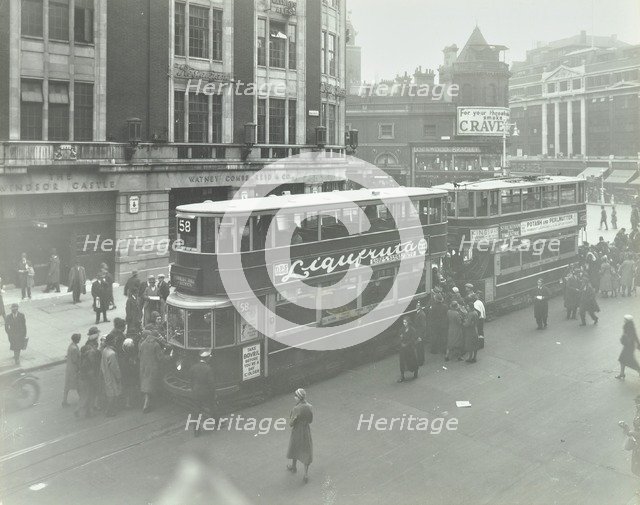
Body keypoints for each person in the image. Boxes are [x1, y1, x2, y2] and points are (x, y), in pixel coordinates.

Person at [286, 388, 313, 484]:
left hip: (297, 431)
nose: (294, 397)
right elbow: (310, 420)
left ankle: (294, 467)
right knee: (306, 450)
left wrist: (293, 421)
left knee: (295, 448)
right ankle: (305, 474)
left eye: (295, 396)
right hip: (306, 430)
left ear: (299, 398)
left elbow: (291, 423)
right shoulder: (309, 406)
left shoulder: (296, 409)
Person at [189, 350, 217, 437]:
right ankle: (218, 423)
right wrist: (214, 393)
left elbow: (191, 380)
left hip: (196, 392)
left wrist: (193, 389)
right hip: (206, 392)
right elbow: (211, 383)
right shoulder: (208, 369)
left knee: (196, 411)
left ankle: (196, 431)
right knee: (212, 406)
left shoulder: (193, 367)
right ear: (207, 358)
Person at [76, 327, 101, 418]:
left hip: (85, 375)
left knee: (88, 393)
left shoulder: (87, 346)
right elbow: (93, 362)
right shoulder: (91, 350)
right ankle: (87, 411)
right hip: (90, 374)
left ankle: (86, 410)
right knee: (90, 393)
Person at [139, 329, 164, 413]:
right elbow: (160, 358)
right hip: (153, 368)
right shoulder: (156, 345)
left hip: (143, 368)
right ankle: (146, 405)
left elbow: (139, 355)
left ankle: (146, 404)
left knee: (146, 385)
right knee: (150, 387)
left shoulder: (142, 344)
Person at [100, 333, 122, 416]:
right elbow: (115, 367)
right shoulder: (112, 353)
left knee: (110, 392)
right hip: (111, 376)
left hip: (106, 373)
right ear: (112, 341)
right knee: (112, 393)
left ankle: (110, 409)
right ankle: (109, 410)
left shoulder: (105, 350)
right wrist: (118, 376)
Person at [616, 315, 640, 380]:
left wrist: (625, 341)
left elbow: (631, 336)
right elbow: (635, 336)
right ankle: (622, 374)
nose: (624, 320)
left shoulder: (628, 326)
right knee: (622, 359)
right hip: (628, 346)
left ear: (627, 320)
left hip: (629, 347)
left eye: (625, 319)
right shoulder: (630, 326)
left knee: (631, 361)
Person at [62, 333, 81, 407]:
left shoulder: (71, 346)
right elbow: (75, 360)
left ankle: (64, 400)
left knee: (67, 386)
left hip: (69, 368)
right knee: (78, 384)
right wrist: (79, 367)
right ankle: (82, 398)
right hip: (73, 370)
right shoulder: (75, 348)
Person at [397, 316, 418, 382]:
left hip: (410, 348)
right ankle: (402, 376)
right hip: (403, 349)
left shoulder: (412, 330)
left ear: (408, 322)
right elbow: (400, 337)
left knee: (412, 361)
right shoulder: (401, 330)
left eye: (405, 322)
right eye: (403, 322)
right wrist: (401, 342)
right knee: (402, 362)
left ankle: (415, 372)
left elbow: (412, 339)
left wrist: (406, 344)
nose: (404, 323)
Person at [120, 337, 139, 409]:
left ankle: (128, 402)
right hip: (131, 374)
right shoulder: (131, 357)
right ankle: (130, 402)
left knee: (127, 388)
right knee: (131, 387)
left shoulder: (123, 356)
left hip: (125, 374)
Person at [413, 302, 427, 367]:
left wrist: (420, 336)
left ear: (421, 306)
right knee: (419, 348)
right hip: (418, 333)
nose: (417, 306)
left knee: (420, 348)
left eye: (418, 305)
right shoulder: (419, 313)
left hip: (420, 334)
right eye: (416, 305)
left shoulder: (421, 314)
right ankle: (421, 360)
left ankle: (420, 361)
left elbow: (423, 326)